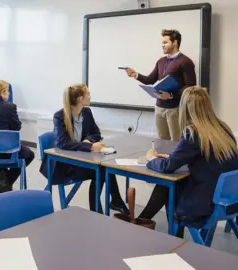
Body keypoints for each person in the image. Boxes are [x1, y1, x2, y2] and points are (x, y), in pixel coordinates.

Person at [139, 86, 238, 237]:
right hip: (230, 202)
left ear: (184, 108)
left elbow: (167, 167)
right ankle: (141, 223)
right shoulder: (222, 128)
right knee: (166, 187)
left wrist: (152, 158)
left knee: (167, 186)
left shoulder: (193, 133)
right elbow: (209, 161)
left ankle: (139, 224)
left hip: (206, 203)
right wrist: (174, 158)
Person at [39, 84, 128, 213]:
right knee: (101, 171)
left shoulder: (86, 112)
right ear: (81, 98)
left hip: (81, 159)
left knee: (106, 168)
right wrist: (89, 146)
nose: (90, 97)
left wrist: (88, 141)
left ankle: (109, 204)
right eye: (88, 94)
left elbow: (96, 134)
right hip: (65, 166)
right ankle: (103, 207)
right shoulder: (59, 116)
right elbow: (63, 143)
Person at [125, 29, 197, 142]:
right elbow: (151, 79)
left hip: (176, 109)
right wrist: (136, 75)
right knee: (162, 141)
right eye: (162, 42)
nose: (162, 45)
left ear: (175, 43)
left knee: (176, 141)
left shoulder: (186, 62)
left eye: (165, 42)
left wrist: (171, 95)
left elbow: (191, 87)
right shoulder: (161, 61)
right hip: (159, 108)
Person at [0, 80, 35, 193]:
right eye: (8, 92)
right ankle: (5, 180)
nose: (9, 94)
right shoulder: (10, 107)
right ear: (2, 92)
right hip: (6, 152)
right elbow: (17, 127)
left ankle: (2, 177)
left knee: (1, 145)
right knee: (30, 155)